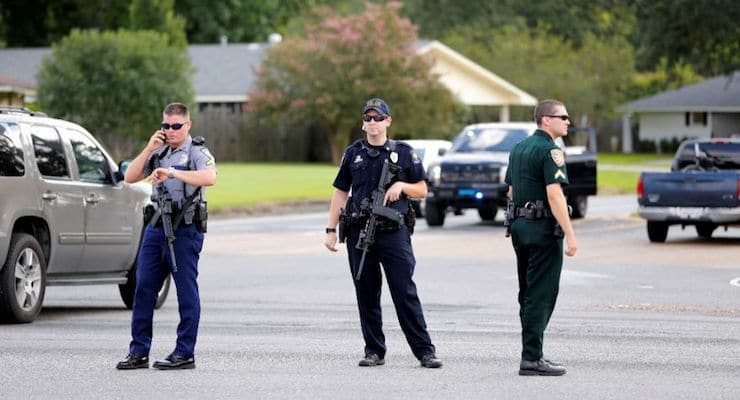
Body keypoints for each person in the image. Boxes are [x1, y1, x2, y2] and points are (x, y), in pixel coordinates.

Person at [324, 98, 442, 369]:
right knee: (366, 292)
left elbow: (423, 189)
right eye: (368, 119)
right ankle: (374, 350)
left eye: (378, 118)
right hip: (359, 232)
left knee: (404, 292)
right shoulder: (354, 153)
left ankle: (425, 351)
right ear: (363, 123)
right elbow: (341, 191)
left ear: (388, 121)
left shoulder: (404, 153)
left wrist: (402, 185)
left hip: (393, 233)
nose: (372, 123)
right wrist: (331, 230)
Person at [116, 102, 216, 370]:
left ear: (188, 125)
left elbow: (210, 177)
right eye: (166, 126)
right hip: (157, 226)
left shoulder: (196, 151)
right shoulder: (158, 150)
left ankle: (185, 353)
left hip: (185, 228)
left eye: (176, 126)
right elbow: (130, 176)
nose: (170, 131)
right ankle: (138, 352)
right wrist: (150, 148)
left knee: (186, 290)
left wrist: (172, 172)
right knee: (144, 288)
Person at [505, 99, 578, 376]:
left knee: (527, 292)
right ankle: (532, 357)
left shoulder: (519, 149)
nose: (567, 121)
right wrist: (570, 234)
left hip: (520, 227)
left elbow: (511, 191)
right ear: (546, 120)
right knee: (542, 293)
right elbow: (554, 194)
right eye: (563, 117)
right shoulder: (551, 151)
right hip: (544, 229)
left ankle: (531, 352)